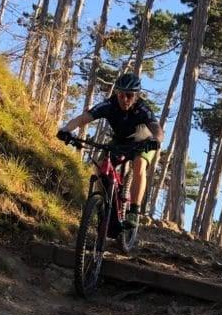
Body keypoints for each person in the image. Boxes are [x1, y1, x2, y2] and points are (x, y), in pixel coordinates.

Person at [57, 72, 162, 229]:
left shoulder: (143, 108)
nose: (125, 99)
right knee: (100, 167)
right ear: (116, 93)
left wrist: (155, 140)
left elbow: (157, 130)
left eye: (129, 95)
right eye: (121, 95)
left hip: (143, 142)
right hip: (120, 141)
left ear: (136, 96)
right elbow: (83, 118)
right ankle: (104, 205)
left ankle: (134, 211)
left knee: (139, 164)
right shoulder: (109, 104)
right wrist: (66, 129)